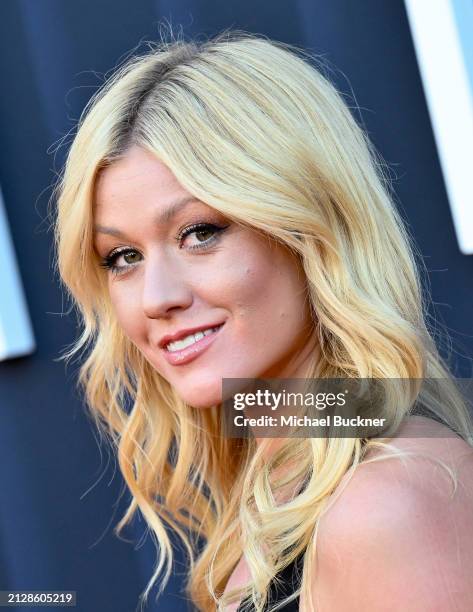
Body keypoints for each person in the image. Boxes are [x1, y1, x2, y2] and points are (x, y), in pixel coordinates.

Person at [54, 31, 473, 611]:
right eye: (123, 257)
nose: (156, 297)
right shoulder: (286, 482)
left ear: (308, 228)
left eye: (200, 233)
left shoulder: (392, 499)